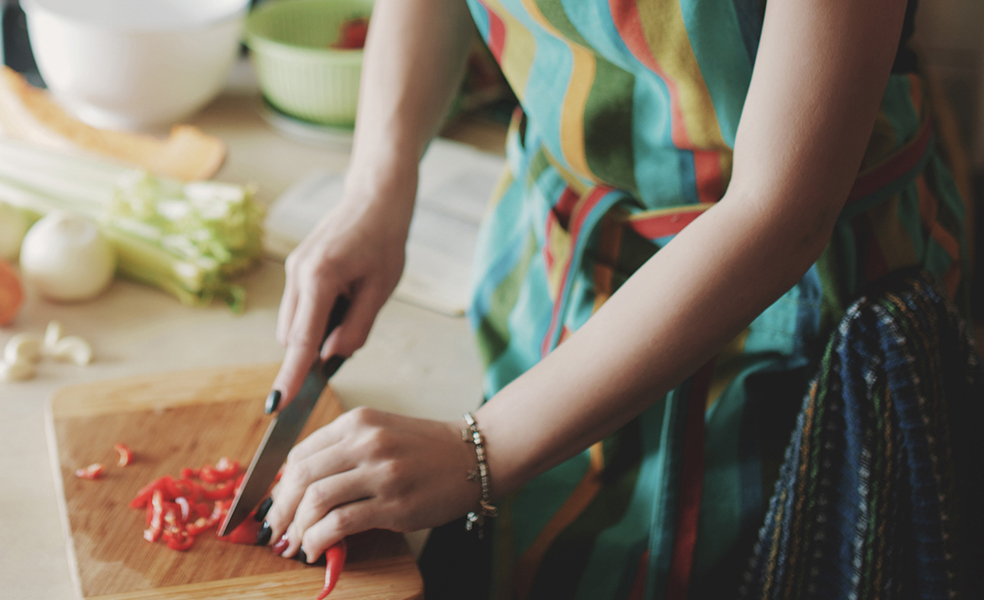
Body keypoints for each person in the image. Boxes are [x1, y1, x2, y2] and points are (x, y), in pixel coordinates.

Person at [260, 0, 971, 596]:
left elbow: (781, 214)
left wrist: (480, 448)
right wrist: (377, 187)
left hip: (789, 308)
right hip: (555, 258)